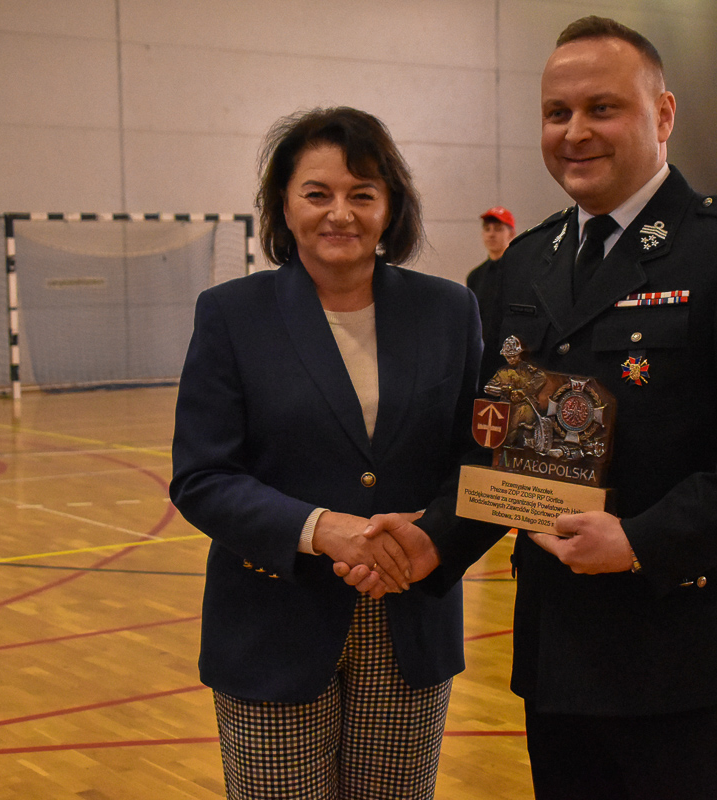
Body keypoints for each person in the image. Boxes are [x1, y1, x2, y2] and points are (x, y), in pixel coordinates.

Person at [337, 16, 717, 798]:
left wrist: (640, 540)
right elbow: (503, 443)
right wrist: (436, 539)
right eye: (556, 112)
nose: (575, 132)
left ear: (662, 115)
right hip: (557, 653)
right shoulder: (527, 261)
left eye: (603, 108)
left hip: (676, 654)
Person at [169, 106, 483, 799]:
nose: (340, 213)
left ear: (390, 207)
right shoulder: (231, 315)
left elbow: (479, 459)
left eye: (362, 194)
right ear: (284, 205)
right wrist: (321, 529)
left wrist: (432, 537)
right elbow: (202, 476)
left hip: (409, 616)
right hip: (274, 623)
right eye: (317, 193)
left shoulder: (449, 311)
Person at [467, 206, 517, 378]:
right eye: (487, 229)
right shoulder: (475, 276)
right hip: (483, 358)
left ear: (511, 234)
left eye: (498, 229)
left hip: (512, 360)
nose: (491, 234)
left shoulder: (521, 272)